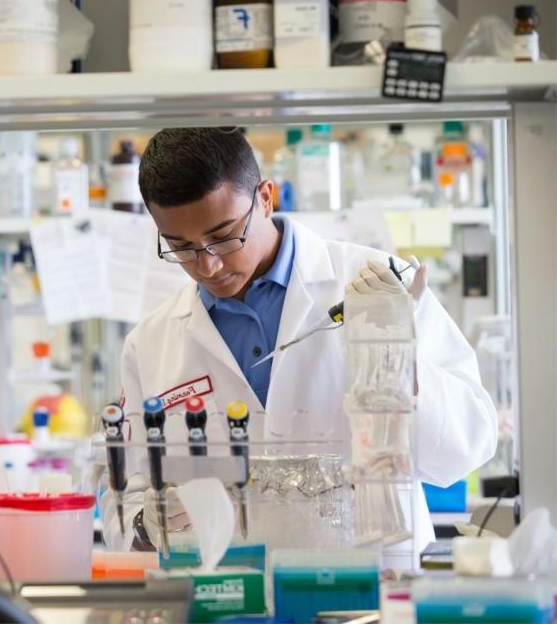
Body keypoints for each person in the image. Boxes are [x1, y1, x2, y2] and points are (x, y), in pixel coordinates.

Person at [100, 127, 497, 561]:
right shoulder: (152, 342)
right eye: (181, 247)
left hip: (372, 587)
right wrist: (147, 522)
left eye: (224, 235)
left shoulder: (379, 283)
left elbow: (467, 449)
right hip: (230, 597)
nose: (208, 264)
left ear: (266, 197)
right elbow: (126, 494)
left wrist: (398, 362)